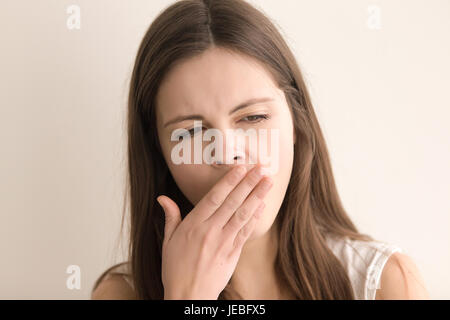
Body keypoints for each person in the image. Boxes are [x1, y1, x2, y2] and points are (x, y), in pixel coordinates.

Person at [91, 0, 430, 300]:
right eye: (191, 132)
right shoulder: (121, 294)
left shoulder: (388, 285)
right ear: (160, 152)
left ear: (297, 124)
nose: (226, 154)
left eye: (253, 117)